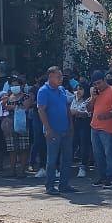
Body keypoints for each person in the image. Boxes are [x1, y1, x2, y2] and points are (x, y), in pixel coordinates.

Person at [37, 66, 77, 195]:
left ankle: (64, 185)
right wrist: (48, 128)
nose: (61, 79)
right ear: (50, 77)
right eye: (58, 76)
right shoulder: (43, 91)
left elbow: (67, 107)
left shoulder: (62, 89)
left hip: (65, 128)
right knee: (52, 159)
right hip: (53, 130)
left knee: (67, 158)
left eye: (61, 76)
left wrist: (71, 124)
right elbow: (41, 110)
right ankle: (49, 186)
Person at [88, 72, 112, 187]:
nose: (97, 86)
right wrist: (93, 98)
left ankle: (111, 177)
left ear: (104, 80)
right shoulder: (96, 93)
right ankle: (102, 176)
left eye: (99, 83)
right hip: (94, 127)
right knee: (98, 154)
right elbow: (89, 108)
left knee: (109, 153)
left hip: (108, 128)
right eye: (95, 84)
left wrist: (106, 116)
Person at [0, 75, 33, 178]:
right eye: (12, 85)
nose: (14, 87)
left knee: (23, 147)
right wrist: (8, 105)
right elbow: (4, 107)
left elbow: (25, 107)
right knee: (11, 148)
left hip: (22, 123)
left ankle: (22, 170)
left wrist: (11, 106)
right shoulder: (8, 97)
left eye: (16, 85)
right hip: (10, 124)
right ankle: (12, 170)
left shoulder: (26, 96)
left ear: (21, 86)